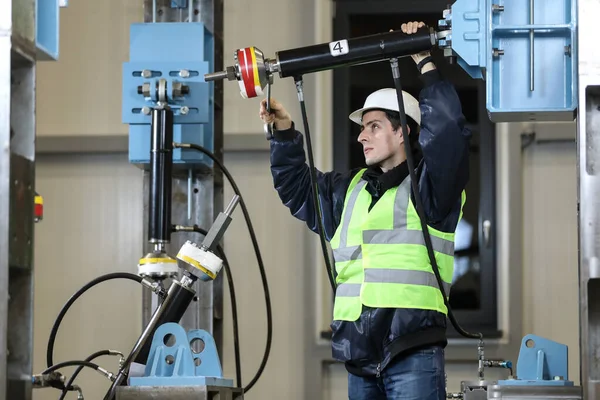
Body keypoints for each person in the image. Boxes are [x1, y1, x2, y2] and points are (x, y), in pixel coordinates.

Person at [258, 21, 471, 400]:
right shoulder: (348, 192)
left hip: (413, 351)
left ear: (404, 131)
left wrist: (423, 59)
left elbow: (450, 133)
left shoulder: (432, 189)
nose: (361, 136)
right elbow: (296, 186)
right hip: (359, 356)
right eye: (362, 128)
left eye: (374, 126)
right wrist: (286, 132)